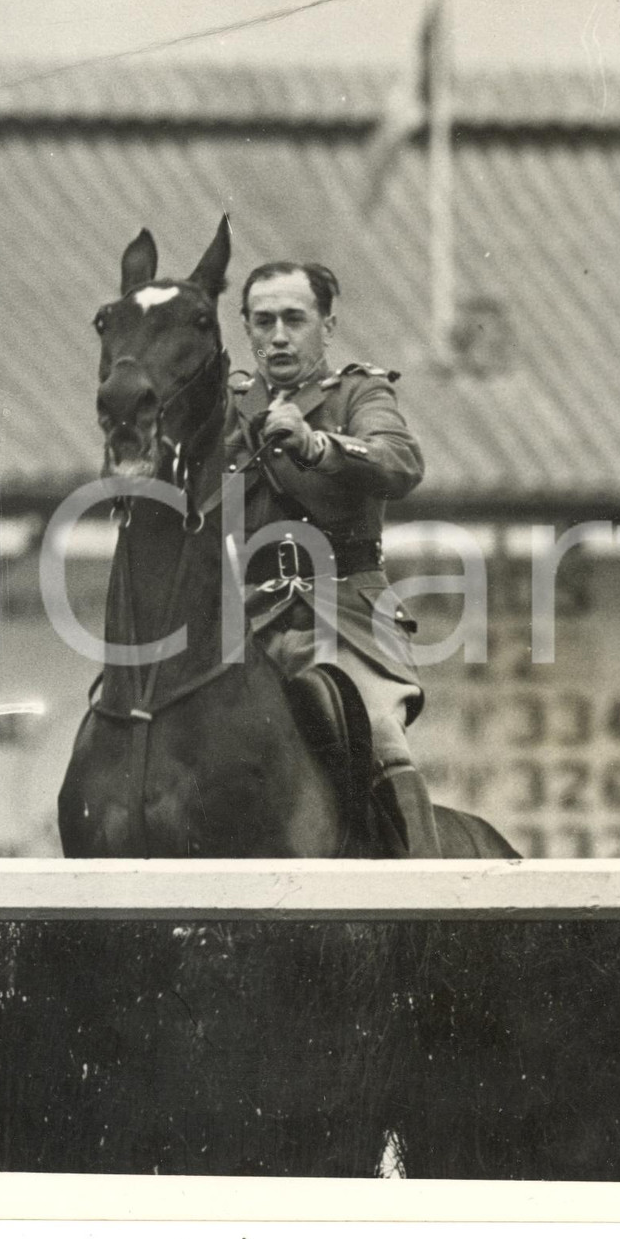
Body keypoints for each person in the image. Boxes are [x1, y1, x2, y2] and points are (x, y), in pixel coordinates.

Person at [223, 260, 441, 857]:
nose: (277, 336)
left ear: (328, 325)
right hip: (250, 618)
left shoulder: (358, 392)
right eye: (263, 321)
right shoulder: (230, 406)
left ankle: (433, 900)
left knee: (377, 731)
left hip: (347, 613)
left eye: (295, 319)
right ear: (245, 328)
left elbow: (400, 462)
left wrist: (318, 445)